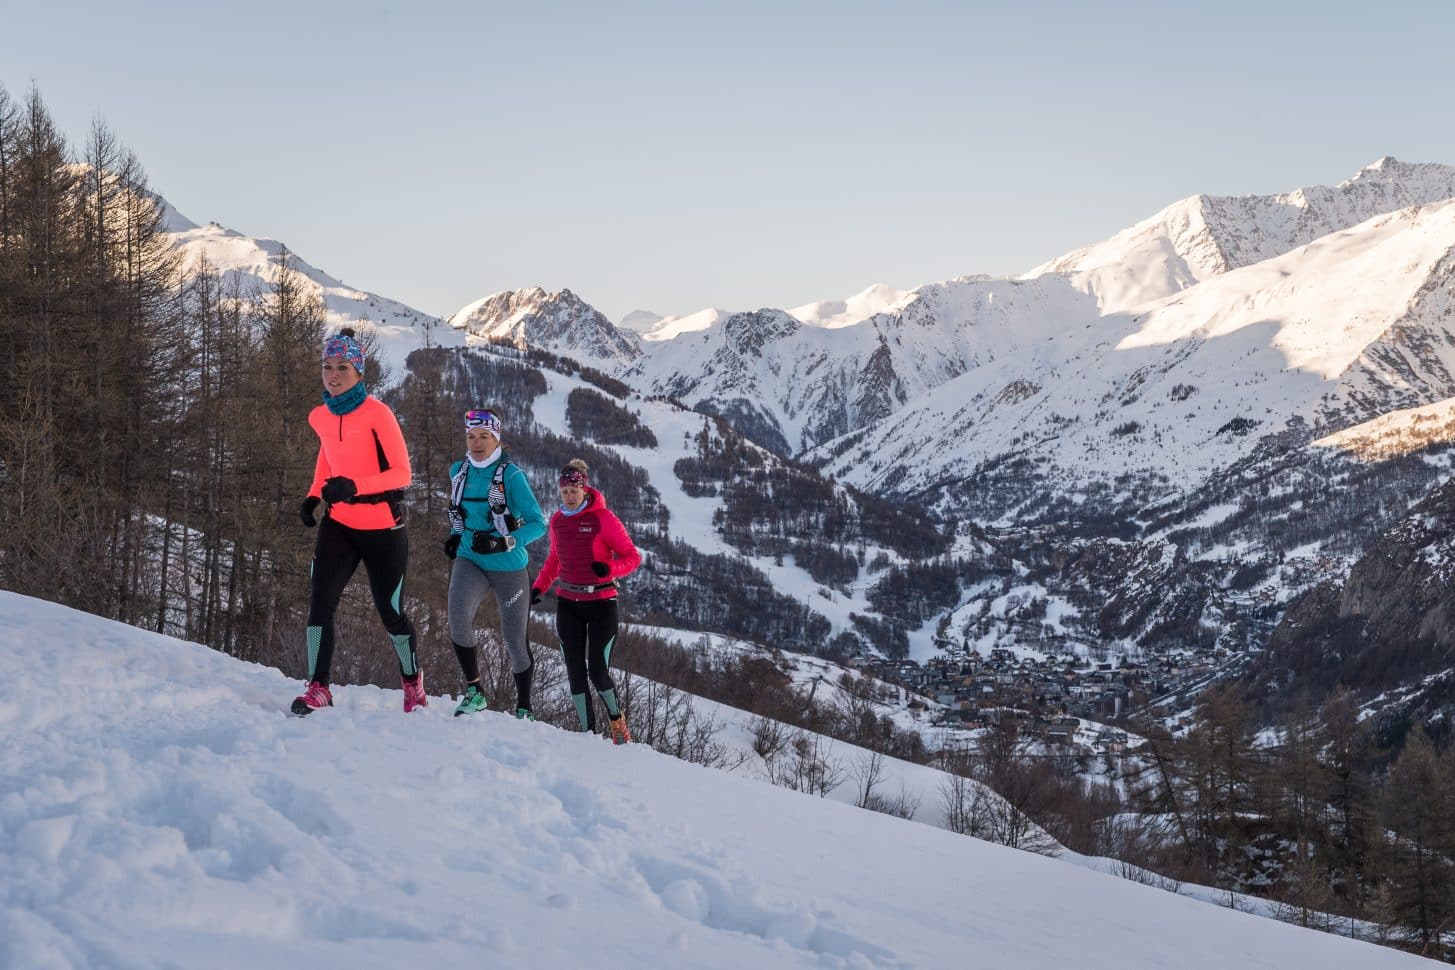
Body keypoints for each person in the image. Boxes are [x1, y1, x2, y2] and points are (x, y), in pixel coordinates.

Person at [291, 328, 424, 716]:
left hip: (383, 529)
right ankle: (318, 685)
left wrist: (355, 486)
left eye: (342, 367)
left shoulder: (378, 414)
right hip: (340, 527)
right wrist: (313, 495)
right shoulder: (320, 415)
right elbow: (327, 456)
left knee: (391, 611)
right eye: (327, 366)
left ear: (359, 372)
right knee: (320, 603)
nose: (333, 375)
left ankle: (412, 681)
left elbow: (402, 474)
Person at [444, 408, 547, 718]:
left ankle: (525, 706)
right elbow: (460, 514)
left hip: (509, 566)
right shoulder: (458, 471)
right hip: (470, 557)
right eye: (471, 436)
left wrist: (505, 541)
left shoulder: (512, 476)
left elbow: (538, 523)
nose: (476, 443)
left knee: (514, 639)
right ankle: (475, 691)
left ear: (496, 438)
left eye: (484, 437)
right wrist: (454, 535)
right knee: (458, 617)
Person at [531, 459, 642, 743]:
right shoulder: (557, 521)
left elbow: (632, 557)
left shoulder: (603, 518)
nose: (569, 496)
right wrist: (539, 587)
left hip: (602, 603)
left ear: (584, 489)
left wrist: (610, 569)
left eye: (574, 491)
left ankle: (617, 723)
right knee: (575, 673)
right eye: (565, 491)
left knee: (598, 670)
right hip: (568, 604)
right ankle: (587, 735)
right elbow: (555, 561)